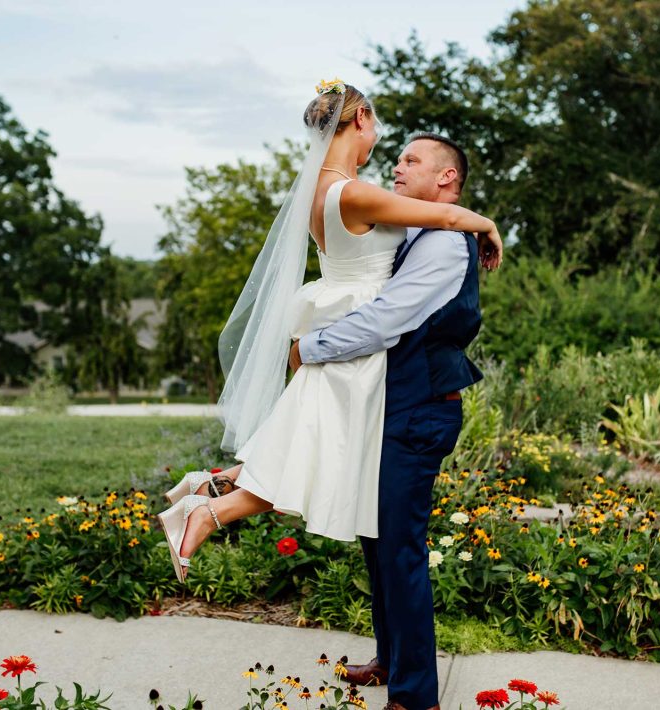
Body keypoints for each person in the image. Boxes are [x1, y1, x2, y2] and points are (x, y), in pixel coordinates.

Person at [156, 82, 499, 675]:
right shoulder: (364, 197)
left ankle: (214, 496)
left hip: (395, 384)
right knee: (331, 469)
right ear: (358, 118)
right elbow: (430, 235)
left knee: (333, 471)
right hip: (357, 356)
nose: (393, 159)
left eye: (412, 159)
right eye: (387, 142)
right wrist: (487, 223)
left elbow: (392, 310)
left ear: (446, 175)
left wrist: (307, 348)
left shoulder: (373, 213)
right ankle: (212, 502)